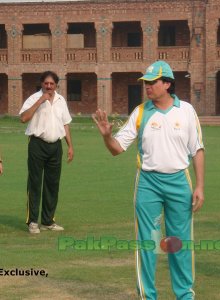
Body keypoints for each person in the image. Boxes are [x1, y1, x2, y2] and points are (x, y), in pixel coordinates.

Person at [92, 60, 205, 299]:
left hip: (179, 183)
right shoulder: (141, 112)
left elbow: (197, 149)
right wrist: (106, 136)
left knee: (179, 243)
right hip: (148, 184)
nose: (147, 87)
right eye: (146, 83)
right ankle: (147, 296)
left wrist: (200, 186)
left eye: (152, 82)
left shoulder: (186, 111)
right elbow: (116, 149)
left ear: (167, 83)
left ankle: (185, 295)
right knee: (148, 244)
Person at [19, 71, 74, 234]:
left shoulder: (60, 100)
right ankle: (33, 222)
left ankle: (48, 221)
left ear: (57, 84)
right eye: (46, 83)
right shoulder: (34, 98)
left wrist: (70, 146)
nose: (48, 86)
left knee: (52, 184)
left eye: (52, 84)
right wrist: (40, 100)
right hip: (37, 144)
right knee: (35, 183)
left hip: (56, 146)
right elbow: (23, 118)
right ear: (42, 84)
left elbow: (65, 124)